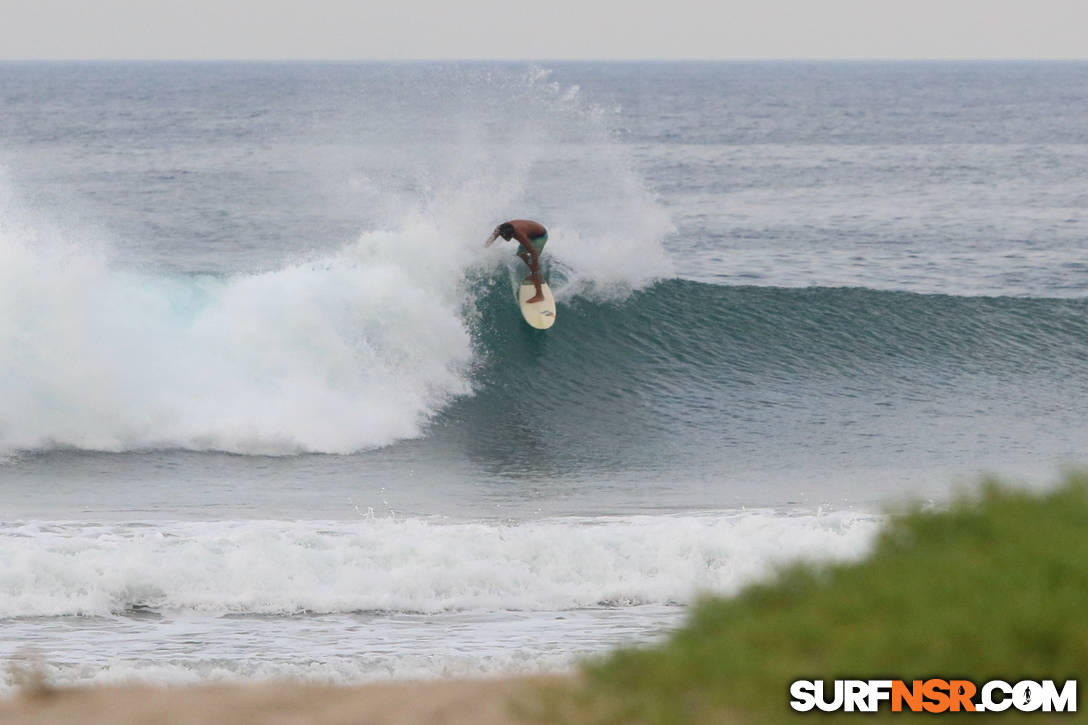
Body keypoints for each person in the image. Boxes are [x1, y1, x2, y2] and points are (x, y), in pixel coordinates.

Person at [485, 219, 548, 303]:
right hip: (530, 234)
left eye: (509, 237)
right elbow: (489, 242)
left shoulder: (519, 234)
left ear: (513, 233)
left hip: (539, 236)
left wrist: (534, 267)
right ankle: (534, 273)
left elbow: (533, 253)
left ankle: (540, 295)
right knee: (520, 253)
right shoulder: (500, 229)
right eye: (505, 238)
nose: (507, 240)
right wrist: (483, 250)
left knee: (534, 266)